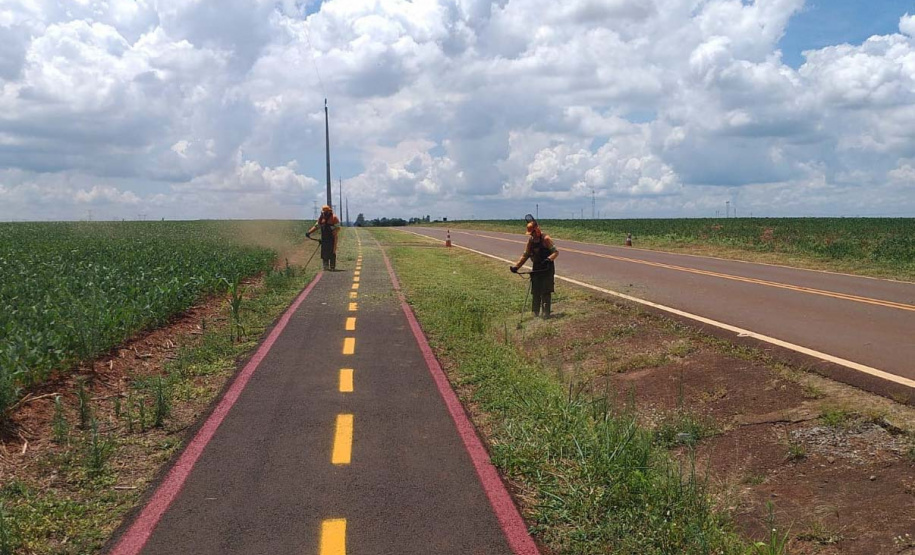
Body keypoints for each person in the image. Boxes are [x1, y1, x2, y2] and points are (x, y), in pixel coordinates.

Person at [510, 221, 559, 318]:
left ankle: (546, 313)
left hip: (547, 268)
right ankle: (535, 313)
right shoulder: (531, 241)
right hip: (536, 268)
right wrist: (516, 266)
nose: (531, 235)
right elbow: (525, 255)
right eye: (530, 233)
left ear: (537, 230)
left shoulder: (546, 239)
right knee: (536, 291)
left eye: (532, 233)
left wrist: (549, 259)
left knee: (545, 290)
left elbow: (556, 252)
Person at [306, 205, 340, 271]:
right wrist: (309, 232)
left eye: (326, 211)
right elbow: (316, 226)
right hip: (324, 238)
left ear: (329, 211)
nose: (324, 212)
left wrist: (333, 232)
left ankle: (332, 266)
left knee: (332, 251)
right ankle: (325, 266)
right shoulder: (321, 218)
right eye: (324, 211)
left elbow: (338, 228)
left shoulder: (334, 218)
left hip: (332, 237)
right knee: (324, 251)